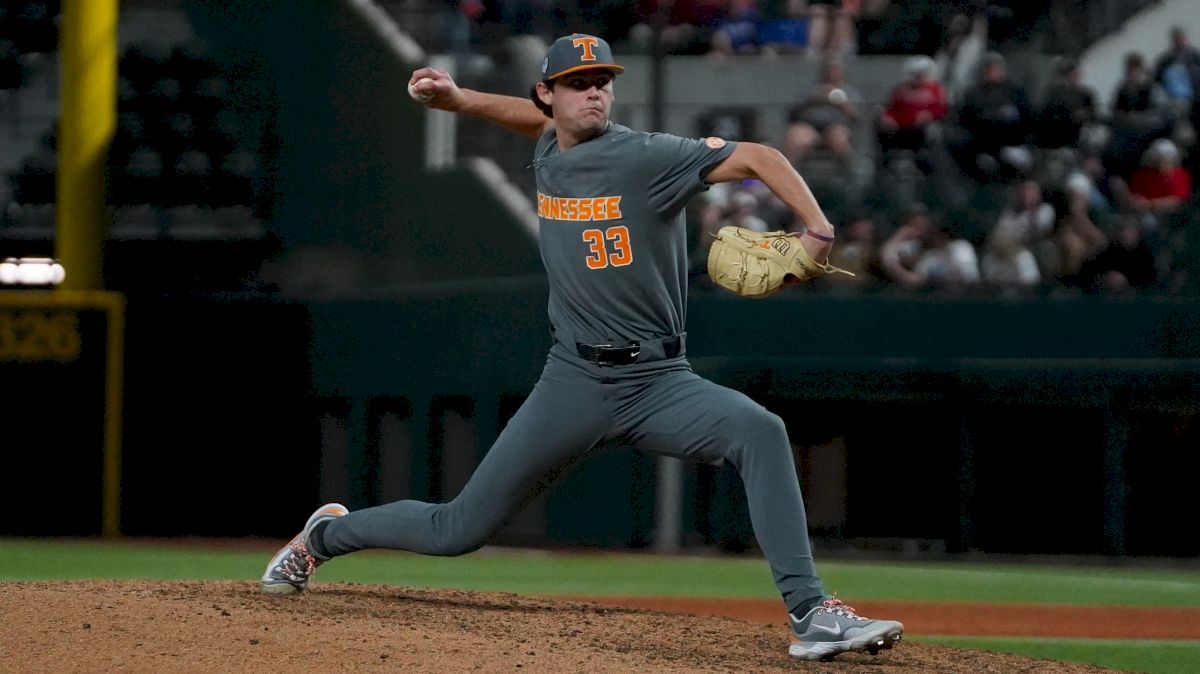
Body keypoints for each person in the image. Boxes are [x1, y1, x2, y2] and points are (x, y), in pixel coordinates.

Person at [259, 33, 904, 662]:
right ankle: (326, 535)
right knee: (456, 530)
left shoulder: (651, 156)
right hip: (573, 382)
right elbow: (528, 121)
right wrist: (459, 101)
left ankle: (812, 612)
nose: (594, 94)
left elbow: (761, 155)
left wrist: (817, 229)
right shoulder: (550, 149)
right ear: (549, 94)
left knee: (759, 430)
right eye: (577, 84)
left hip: (658, 381)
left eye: (602, 83)